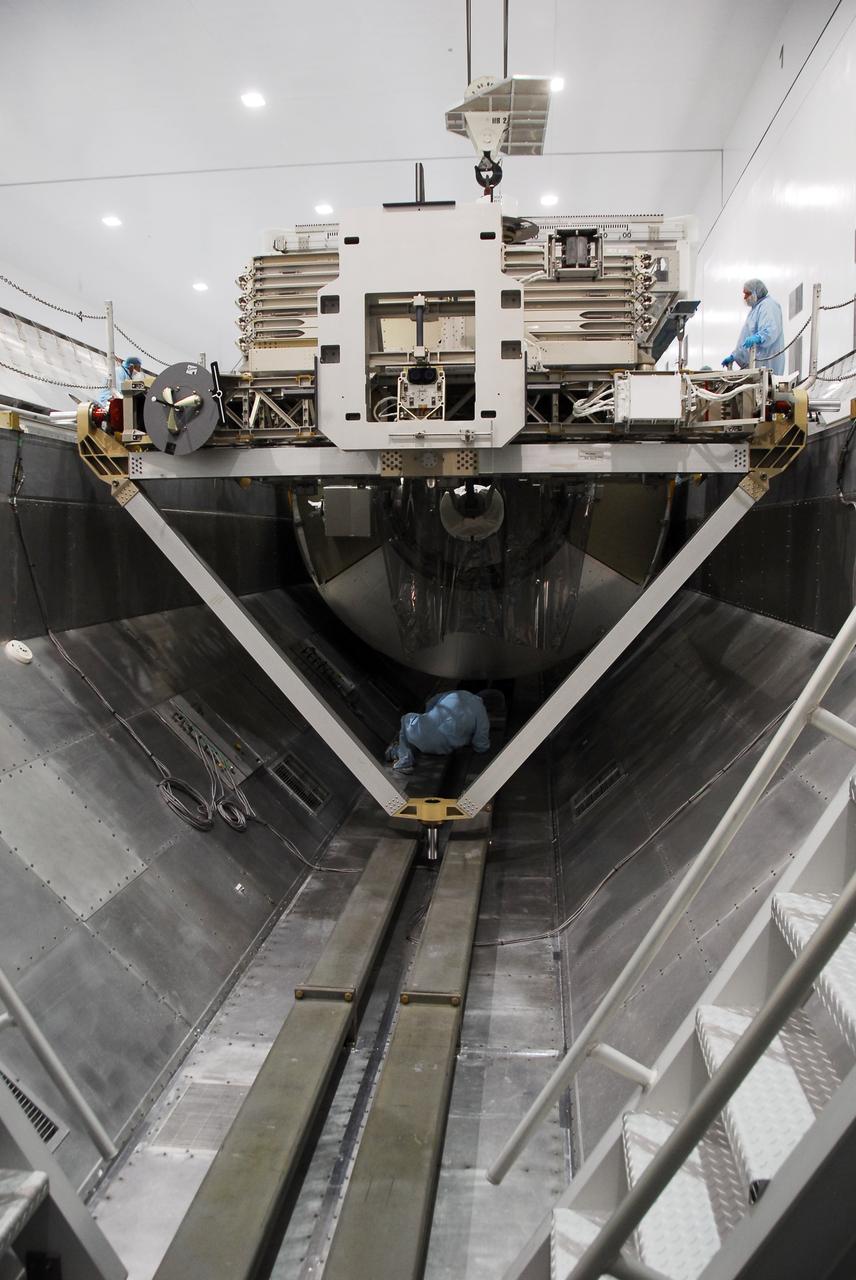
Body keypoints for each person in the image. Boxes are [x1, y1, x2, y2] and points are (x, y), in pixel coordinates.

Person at [386, 689, 491, 773]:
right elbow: (481, 745)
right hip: (443, 748)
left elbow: (432, 701)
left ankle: (404, 760)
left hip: (422, 732)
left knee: (406, 718)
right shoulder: (482, 713)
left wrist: (429, 718)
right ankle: (397, 752)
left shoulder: (459, 693)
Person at [721, 280, 784, 375]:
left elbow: (770, 330)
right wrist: (735, 355)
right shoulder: (755, 310)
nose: (745, 297)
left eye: (747, 294)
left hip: (766, 366)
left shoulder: (768, 305)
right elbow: (746, 338)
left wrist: (759, 338)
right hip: (756, 368)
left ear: (757, 292)